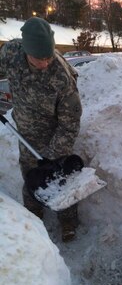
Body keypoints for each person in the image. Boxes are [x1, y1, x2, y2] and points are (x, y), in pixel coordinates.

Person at [0, 17, 82, 242]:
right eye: (38, 58)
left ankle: (68, 221)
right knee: (30, 177)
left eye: (48, 56)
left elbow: (70, 123)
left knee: (60, 179)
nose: (45, 62)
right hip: (25, 134)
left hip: (55, 137)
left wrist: (53, 155)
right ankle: (33, 218)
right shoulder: (11, 54)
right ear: (26, 50)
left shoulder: (62, 76)